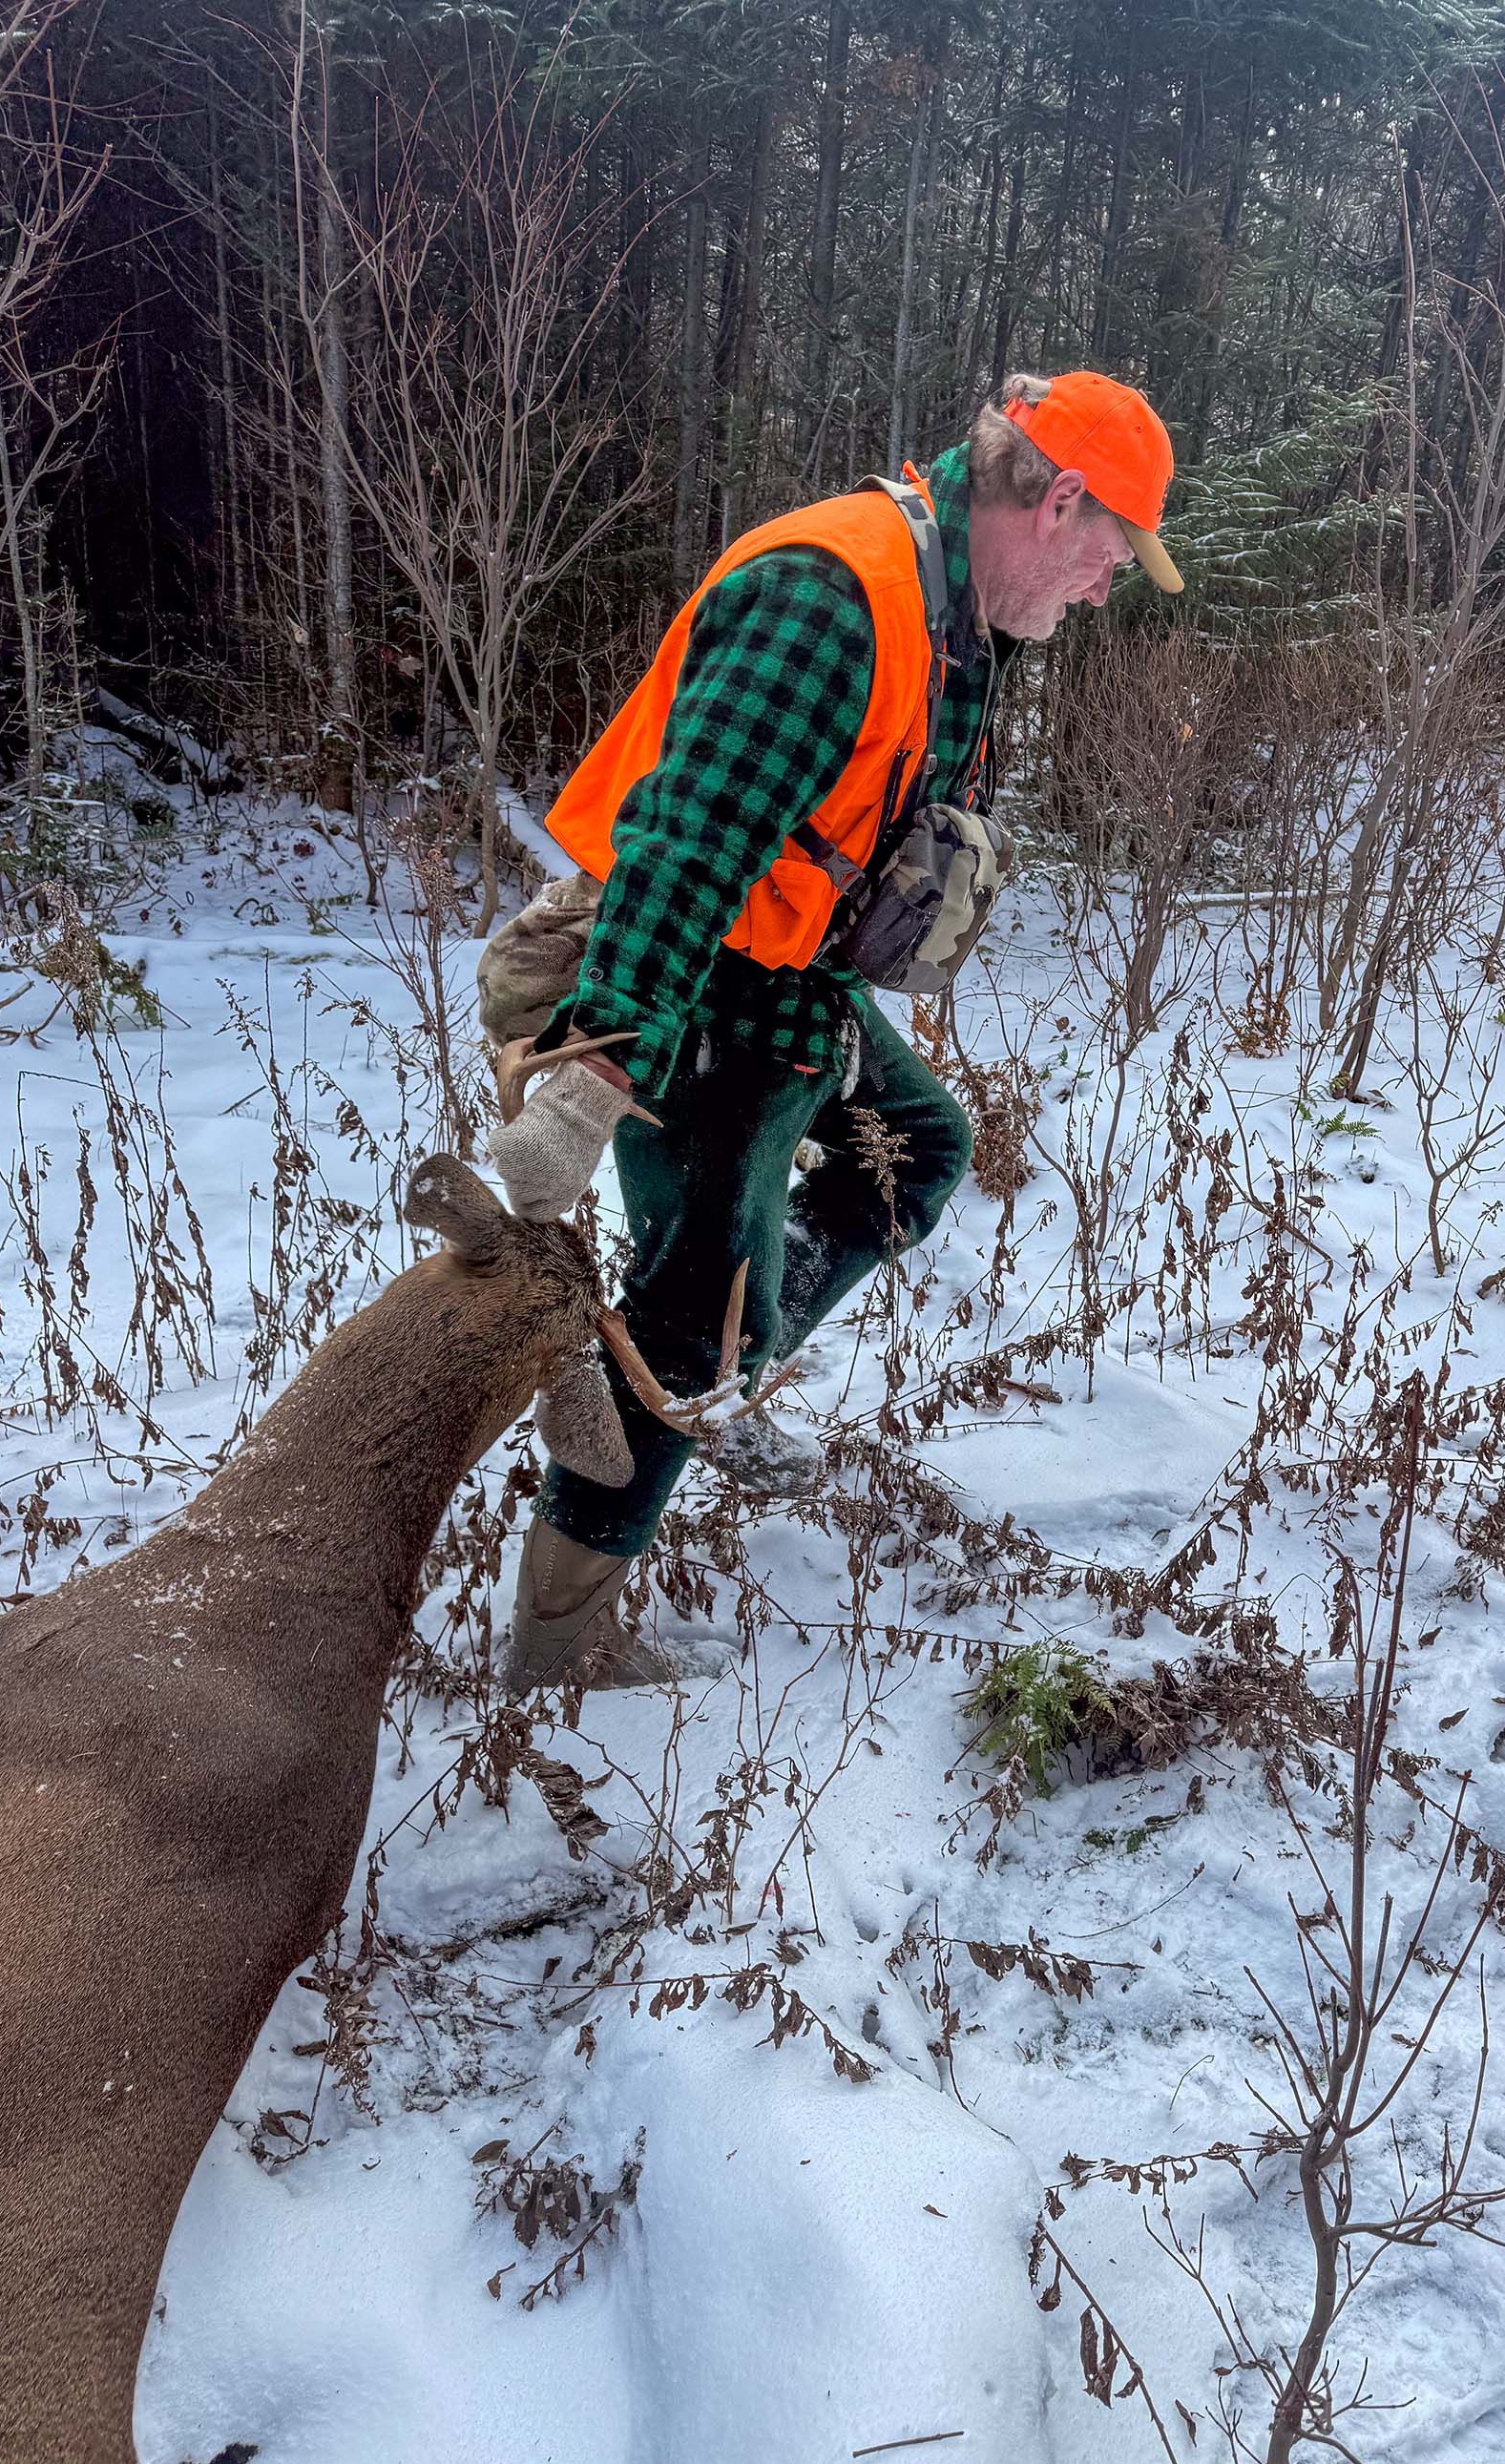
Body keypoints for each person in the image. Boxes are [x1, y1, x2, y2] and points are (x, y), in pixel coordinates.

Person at [491, 369, 1181, 1690]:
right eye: (1109, 560)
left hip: (789, 986)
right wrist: (588, 1084)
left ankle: (725, 1375)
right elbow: (684, 854)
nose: (1104, 592)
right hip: (690, 984)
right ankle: (557, 1650)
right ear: (1063, 503)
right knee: (688, 1315)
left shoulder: (957, 606)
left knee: (920, 1148)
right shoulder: (837, 596)